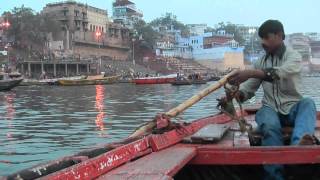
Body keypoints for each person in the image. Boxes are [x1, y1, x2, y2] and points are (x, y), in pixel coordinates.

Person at [227, 20, 317, 180]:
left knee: (308, 103)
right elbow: (249, 88)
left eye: (266, 38)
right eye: (261, 38)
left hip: (293, 108)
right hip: (270, 108)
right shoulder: (261, 61)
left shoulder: (293, 57)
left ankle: (298, 150)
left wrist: (251, 73)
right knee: (270, 126)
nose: (262, 42)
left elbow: (279, 73)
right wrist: (236, 93)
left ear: (279, 36)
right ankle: (275, 176)